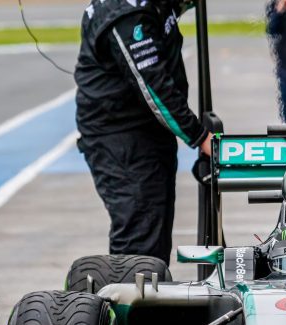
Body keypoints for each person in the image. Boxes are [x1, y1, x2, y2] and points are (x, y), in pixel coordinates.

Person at [75, 0, 213, 266]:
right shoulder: (128, 14)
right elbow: (152, 86)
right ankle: (132, 306)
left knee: (154, 236)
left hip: (145, 134)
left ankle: (150, 302)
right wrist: (200, 137)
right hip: (122, 140)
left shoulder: (151, 5)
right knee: (139, 241)